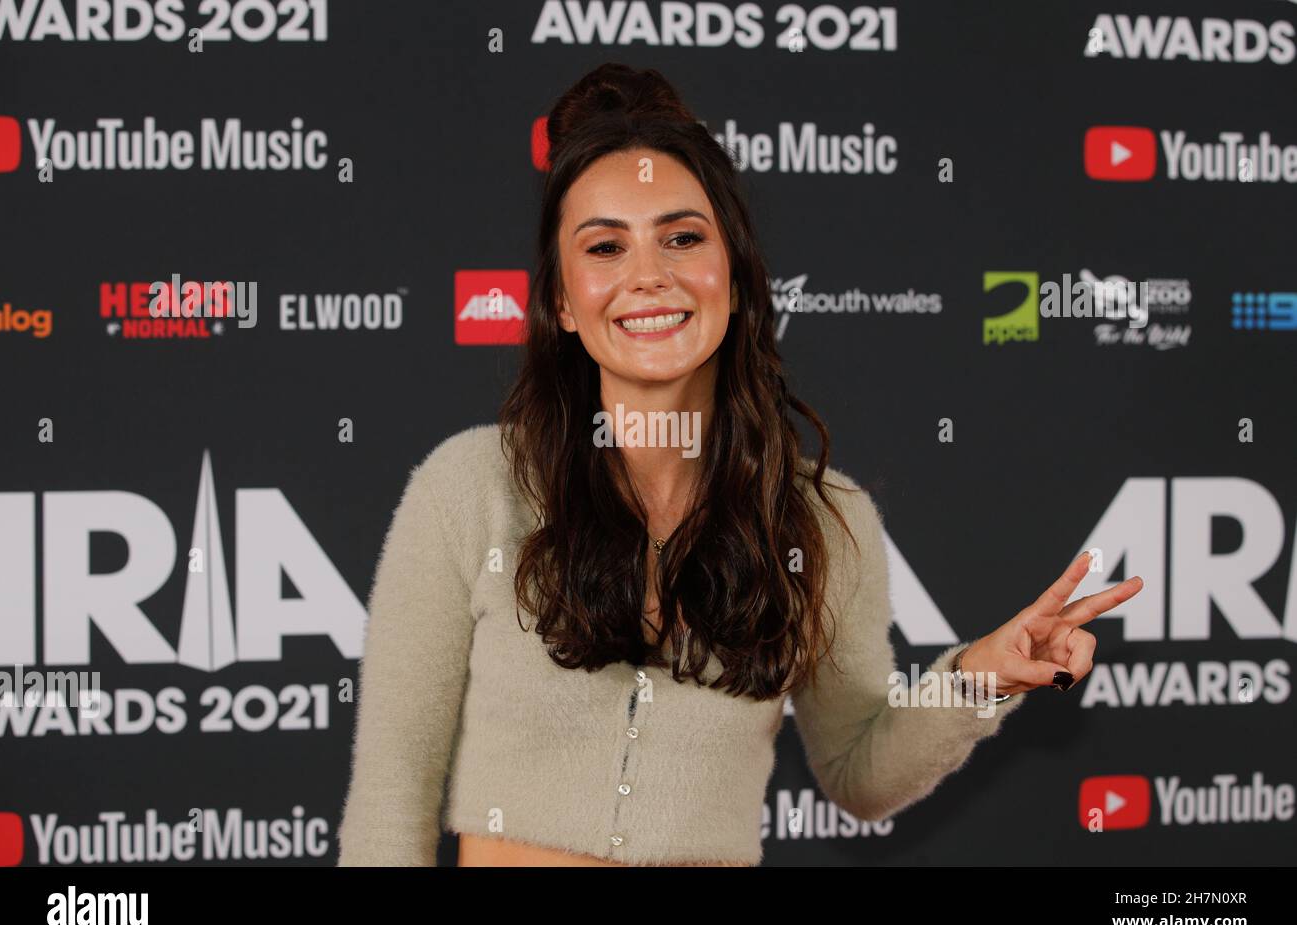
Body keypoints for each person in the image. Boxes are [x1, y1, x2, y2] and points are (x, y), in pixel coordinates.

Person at [335, 63, 1143, 867]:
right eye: (606, 246)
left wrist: (977, 679)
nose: (648, 276)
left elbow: (860, 773)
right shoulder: (469, 488)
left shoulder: (821, 519)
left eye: (682, 237)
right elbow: (390, 798)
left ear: (737, 276)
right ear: (560, 302)